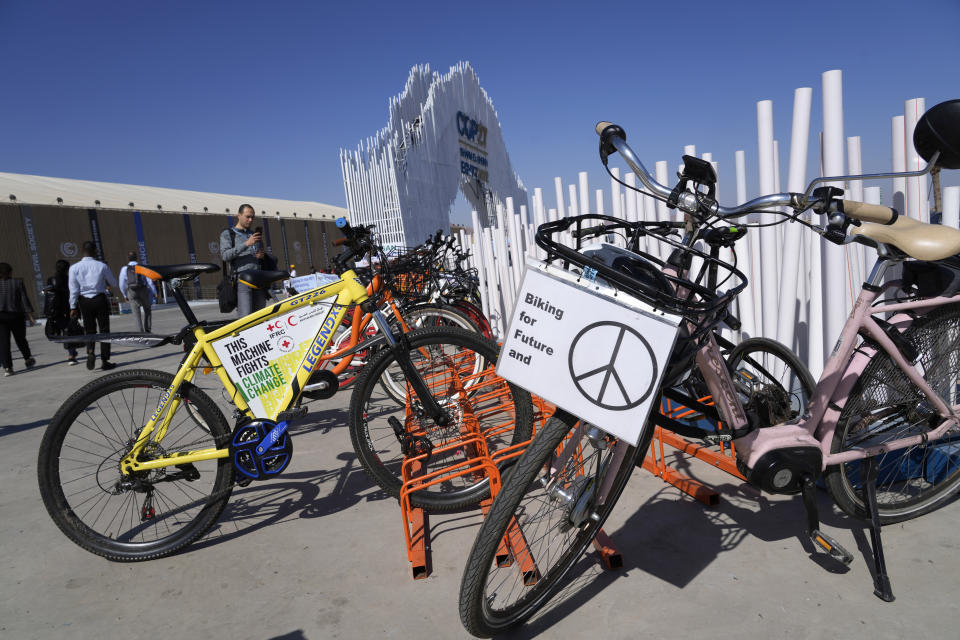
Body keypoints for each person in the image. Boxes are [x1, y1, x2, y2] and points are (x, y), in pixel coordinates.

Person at [69, 241, 119, 370]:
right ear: (95, 251)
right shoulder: (101, 266)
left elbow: (73, 289)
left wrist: (73, 307)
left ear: (82, 251)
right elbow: (113, 283)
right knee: (104, 331)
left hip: (84, 301)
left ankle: (90, 352)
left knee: (89, 329)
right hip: (100, 299)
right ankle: (104, 360)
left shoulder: (74, 268)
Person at [220, 203, 267, 316]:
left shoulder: (253, 234)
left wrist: (261, 255)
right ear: (239, 216)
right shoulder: (228, 234)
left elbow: (260, 253)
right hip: (242, 279)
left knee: (261, 315)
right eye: (247, 217)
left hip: (258, 278)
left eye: (252, 217)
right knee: (245, 316)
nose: (250, 220)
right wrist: (246, 244)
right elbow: (225, 256)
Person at [0, 262, 37, 376]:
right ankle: (27, 358)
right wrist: (30, 316)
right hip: (16, 316)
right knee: (21, 339)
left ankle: (8, 367)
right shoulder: (17, 282)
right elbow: (24, 300)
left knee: (4, 343)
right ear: (10, 272)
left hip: (1, 317)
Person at [44, 259, 80, 365]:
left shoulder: (50, 280)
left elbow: (48, 296)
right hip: (67, 309)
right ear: (67, 269)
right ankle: (71, 355)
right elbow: (72, 294)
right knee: (69, 331)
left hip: (54, 311)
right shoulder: (69, 279)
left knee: (63, 331)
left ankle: (72, 353)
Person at [118, 252, 156, 332]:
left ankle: (140, 332)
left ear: (128, 258)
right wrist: (154, 292)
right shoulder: (142, 267)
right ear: (136, 258)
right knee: (147, 309)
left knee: (136, 313)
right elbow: (149, 281)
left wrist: (125, 295)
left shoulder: (124, 269)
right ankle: (148, 330)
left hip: (131, 291)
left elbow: (122, 284)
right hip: (143, 289)